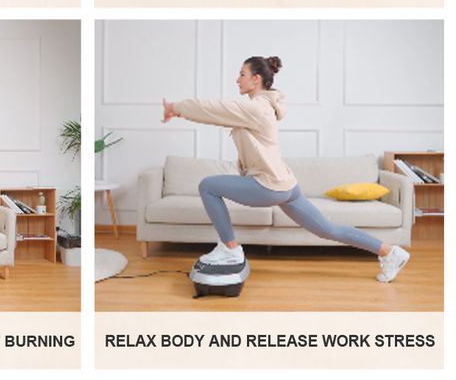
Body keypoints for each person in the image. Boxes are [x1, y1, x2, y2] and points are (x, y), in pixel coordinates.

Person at [162, 56, 410, 283]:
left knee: (208, 186)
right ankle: (390, 252)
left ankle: (230, 249)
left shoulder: (256, 108)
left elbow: (213, 109)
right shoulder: (262, 106)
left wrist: (176, 106)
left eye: (242, 74)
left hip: (269, 185)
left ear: (256, 79)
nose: (237, 79)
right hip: (287, 185)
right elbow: (218, 114)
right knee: (328, 230)